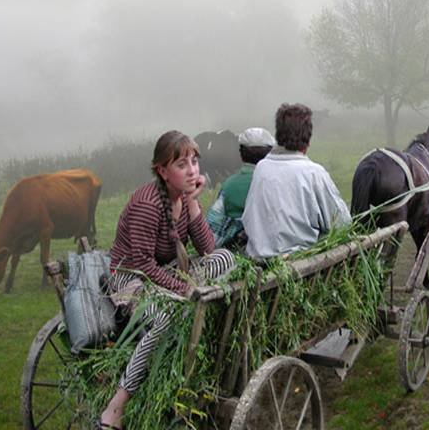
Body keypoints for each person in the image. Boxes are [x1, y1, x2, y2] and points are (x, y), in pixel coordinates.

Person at [98, 131, 235, 430]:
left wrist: (193, 202)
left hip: (166, 272)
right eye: (182, 164)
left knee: (226, 258)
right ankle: (117, 405)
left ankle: (191, 303)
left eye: (195, 162)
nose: (193, 170)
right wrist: (186, 289)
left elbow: (208, 249)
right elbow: (144, 265)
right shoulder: (148, 204)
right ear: (162, 170)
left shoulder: (181, 196)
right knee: (165, 319)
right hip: (131, 279)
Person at [241, 103, 351, 259]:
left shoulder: (261, 168)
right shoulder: (314, 173)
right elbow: (343, 224)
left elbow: (248, 217)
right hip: (299, 264)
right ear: (308, 142)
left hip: (258, 261)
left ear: (278, 137)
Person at [206, 126, 276, 249]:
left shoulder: (229, 186)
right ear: (270, 153)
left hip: (244, 252)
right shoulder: (281, 179)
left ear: (241, 155)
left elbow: (213, 232)